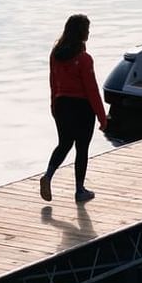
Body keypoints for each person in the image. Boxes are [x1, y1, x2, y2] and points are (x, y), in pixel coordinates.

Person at [41, 14, 108, 204]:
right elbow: (92, 90)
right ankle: (79, 190)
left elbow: (53, 83)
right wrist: (102, 118)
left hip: (62, 105)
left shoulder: (55, 54)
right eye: (87, 29)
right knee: (82, 148)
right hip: (81, 108)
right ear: (81, 32)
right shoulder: (84, 59)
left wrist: (54, 106)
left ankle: (48, 175)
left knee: (64, 143)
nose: (89, 32)